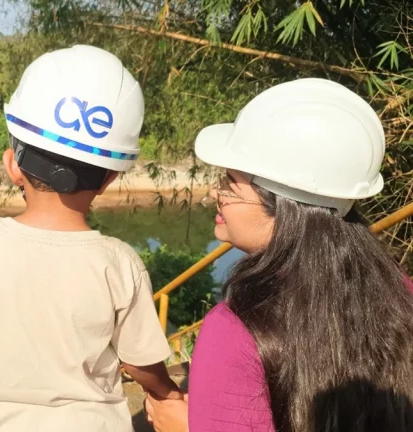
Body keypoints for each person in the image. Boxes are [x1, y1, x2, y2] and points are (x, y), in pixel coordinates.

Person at [0, 45, 183, 432]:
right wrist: (169, 394)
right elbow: (141, 363)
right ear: (109, 178)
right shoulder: (120, 262)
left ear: (13, 165)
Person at [145, 78, 413, 432]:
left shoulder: (236, 330)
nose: (216, 193)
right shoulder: (402, 293)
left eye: (230, 182)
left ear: (281, 204)